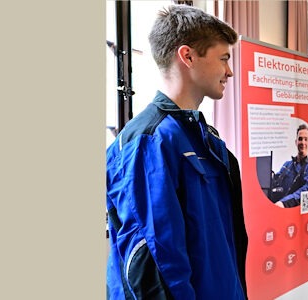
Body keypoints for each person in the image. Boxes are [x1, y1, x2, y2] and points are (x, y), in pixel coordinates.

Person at [105, 5, 247, 299]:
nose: (229, 71)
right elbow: (155, 266)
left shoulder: (205, 139)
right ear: (188, 56)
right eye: (223, 59)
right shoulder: (149, 142)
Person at [269, 124, 308, 208]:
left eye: (306, 139)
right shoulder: (287, 165)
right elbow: (275, 181)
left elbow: (305, 192)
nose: (303, 142)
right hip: (276, 208)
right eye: (300, 139)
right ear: (296, 142)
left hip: (292, 212)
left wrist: (283, 203)